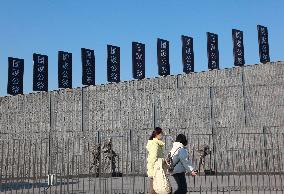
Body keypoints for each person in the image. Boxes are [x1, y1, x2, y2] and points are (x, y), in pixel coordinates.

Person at [146, 127, 165, 194]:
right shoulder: (155, 144)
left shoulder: (156, 143)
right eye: (161, 133)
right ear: (157, 134)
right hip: (155, 170)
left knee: (155, 189)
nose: (162, 135)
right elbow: (153, 158)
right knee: (155, 190)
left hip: (155, 170)